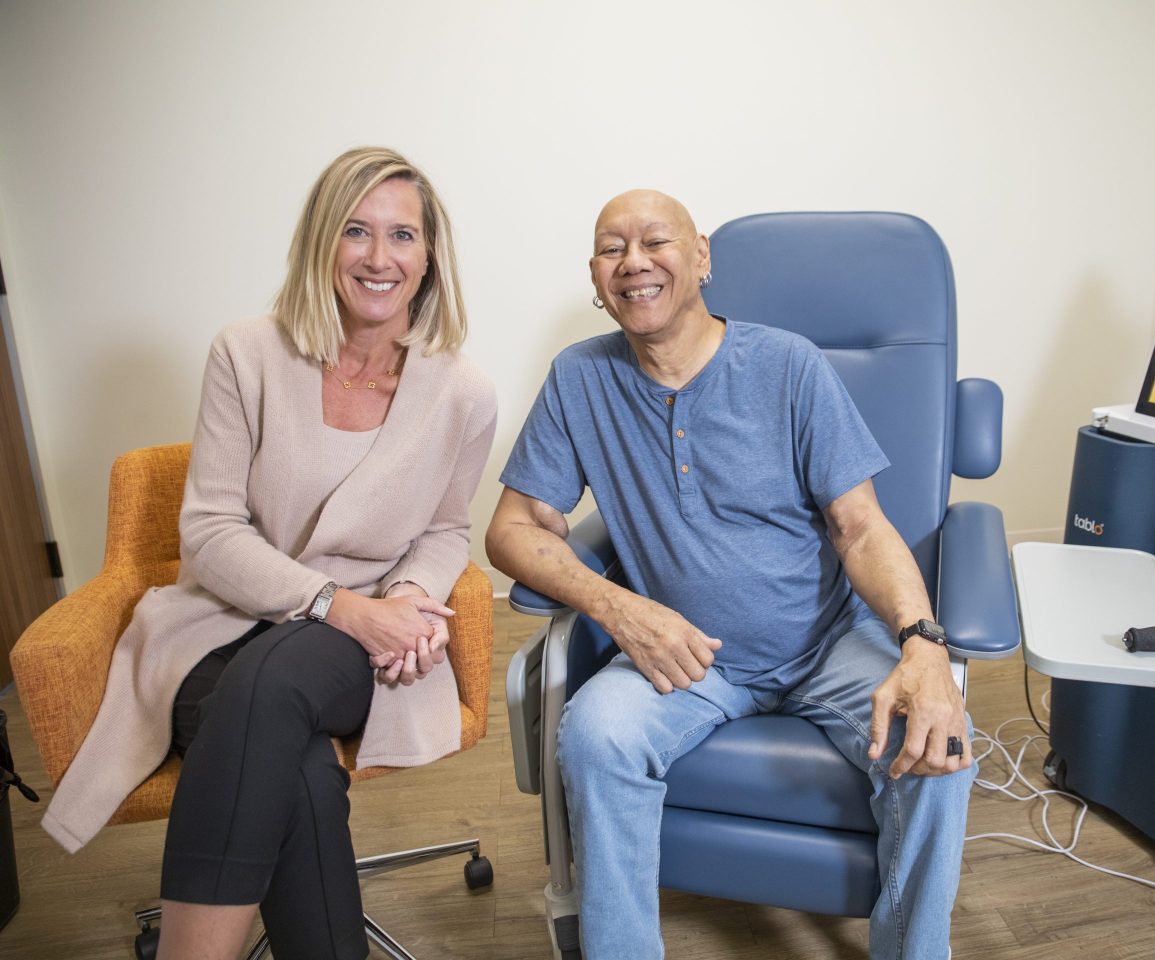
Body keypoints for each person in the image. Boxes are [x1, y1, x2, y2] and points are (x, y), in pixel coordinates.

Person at [485, 189, 973, 960]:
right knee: (596, 736)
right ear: (594, 276)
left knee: (938, 744)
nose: (634, 262)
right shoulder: (579, 380)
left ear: (703, 255)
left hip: (826, 642)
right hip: (689, 657)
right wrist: (621, 610)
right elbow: (510, 530)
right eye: (613, 249)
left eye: (655, 241)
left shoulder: (787, 365)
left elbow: (861, 524)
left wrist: (923, 646)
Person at [40, 146, 497, 960]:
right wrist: (342, 605)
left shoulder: (463, 392)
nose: (379, 256)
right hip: (216, 626)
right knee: (299, 775)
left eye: (403, 235)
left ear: (431, 258)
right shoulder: (247, 353)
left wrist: (407, 600)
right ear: (323, 241)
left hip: (349, 652)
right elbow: (210, 533)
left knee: (279, 679)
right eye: (356, 231)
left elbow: (445, 529)